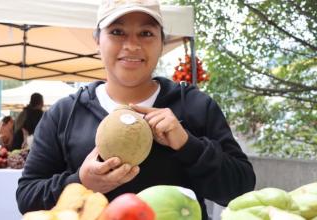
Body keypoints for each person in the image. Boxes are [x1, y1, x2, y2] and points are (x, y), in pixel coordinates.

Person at [16, 1, 256, 219]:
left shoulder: (196, 106)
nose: (131, 45)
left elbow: (240, 189)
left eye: (146, 33)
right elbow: (27, 198)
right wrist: (81, 181)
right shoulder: (64, 114)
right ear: (98, 40)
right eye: (117, 32)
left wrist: (188, 145)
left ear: (162, 43)